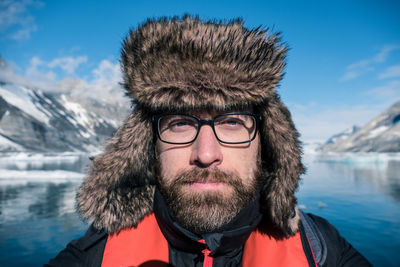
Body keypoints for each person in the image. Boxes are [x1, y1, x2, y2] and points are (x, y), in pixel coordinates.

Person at [46, 15, 371, 266]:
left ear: (267, 143)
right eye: (180, 124)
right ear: (148, 146)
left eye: (231, 122)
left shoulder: (320, 249)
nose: (205, 154)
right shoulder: (98, 253)